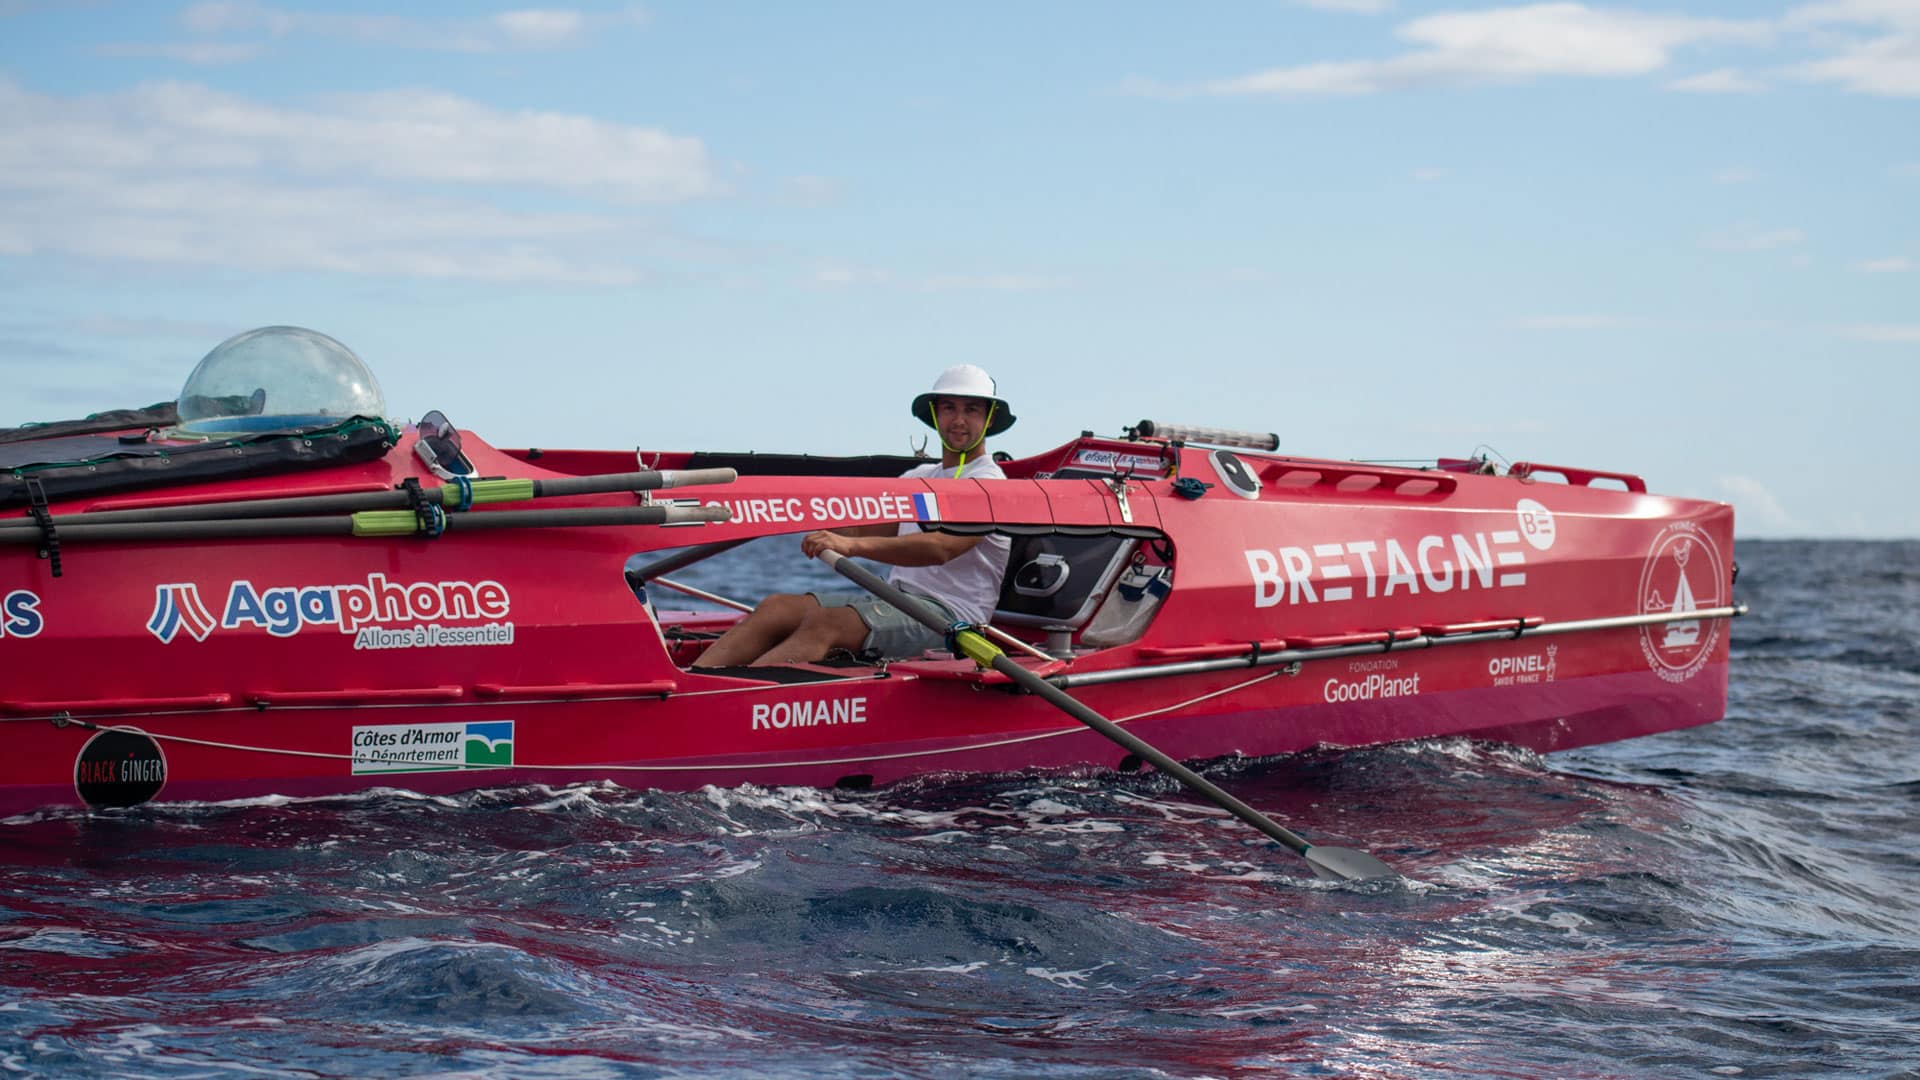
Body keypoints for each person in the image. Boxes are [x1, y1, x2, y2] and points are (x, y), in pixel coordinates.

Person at [693, 365, 1015, 668]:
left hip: (952, 619)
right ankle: (693, 690)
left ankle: (733, 706)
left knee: (826, 625)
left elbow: (941, 548)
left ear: (988, 419)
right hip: (898, 600)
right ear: (935, 414)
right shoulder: (919, 476)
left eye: (971, 410)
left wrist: (849, 547)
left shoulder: (989, 482)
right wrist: (801, 514)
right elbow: (861, 529)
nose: (959, 419)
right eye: (949, 408)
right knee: (775, 608)